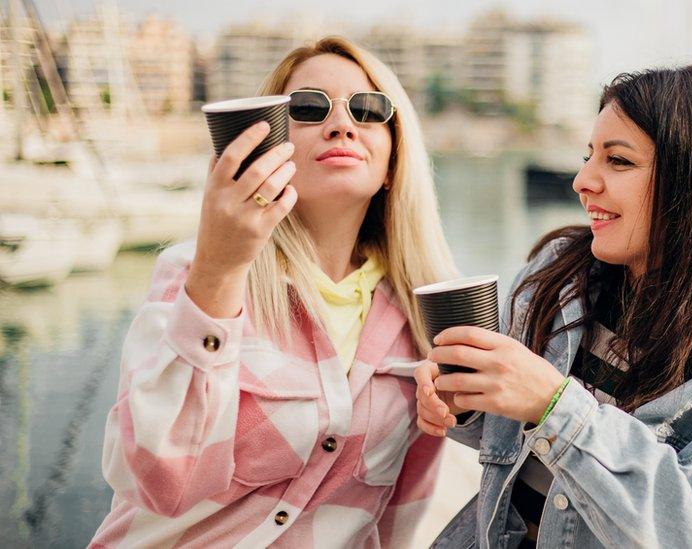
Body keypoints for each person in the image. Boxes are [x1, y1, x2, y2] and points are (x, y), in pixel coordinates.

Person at [415, 66, 692, 548]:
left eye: (618, 161)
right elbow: (511, 445)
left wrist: (555, 406)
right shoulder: (558, 274)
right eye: (588, 157)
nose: (583, 181)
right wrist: (463, 404)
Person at [90, 36, 456, 548]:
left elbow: (400, 514)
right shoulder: (196, 276)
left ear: (394, 160)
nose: (342, 124)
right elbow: (153, 481)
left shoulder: (420, 320)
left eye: (369, 109)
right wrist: (219, 269)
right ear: (270, 145)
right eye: (309, 107)